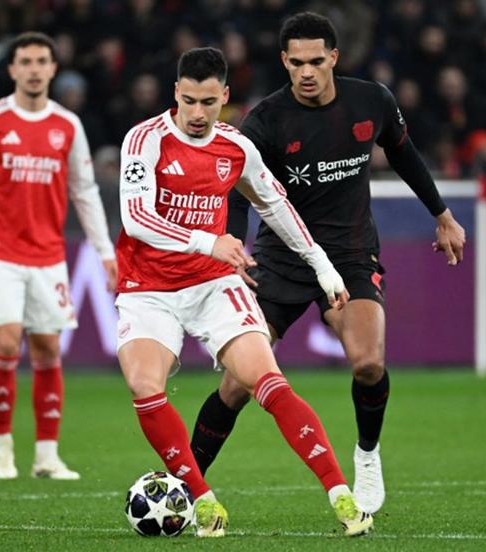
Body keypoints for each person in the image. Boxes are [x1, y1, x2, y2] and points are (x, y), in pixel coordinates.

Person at [189, 12, 467, 516]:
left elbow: (404, 154)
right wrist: (230, 242)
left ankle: (367, 456)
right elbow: (237, 190)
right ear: (284, 61)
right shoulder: (265, 121)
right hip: (281, 260)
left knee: (369, 363)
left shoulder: (371, 101)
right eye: (296, 63)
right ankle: (185, 488)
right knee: (235, 386)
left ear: (334, 57)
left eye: (316, 61)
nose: (307, 72)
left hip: (350, 255)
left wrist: (442, 215)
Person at [115, 46, 372, 538]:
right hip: (148, 289)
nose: (197, 113)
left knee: (267, 380)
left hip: (213, 284)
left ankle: (342, 495)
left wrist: (322, 265)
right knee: (145, 387)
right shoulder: (145, 140)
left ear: (225, 96)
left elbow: (275, 204)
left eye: (209, 102)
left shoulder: (235, 147)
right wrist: (208, 241)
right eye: (189, 101)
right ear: (175, 93)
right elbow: (137, 218)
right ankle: (203, 500)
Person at [0, 32, 117, 481]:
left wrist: (105, 251)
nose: (34, 69)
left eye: (41, 61)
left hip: (48, 253)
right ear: (12, 69)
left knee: (48, 347)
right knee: (7, 341)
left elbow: (84, 191)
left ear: (53, 69)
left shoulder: (67, 125)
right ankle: (2, 451)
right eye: (26, 62)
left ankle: (47, 457)